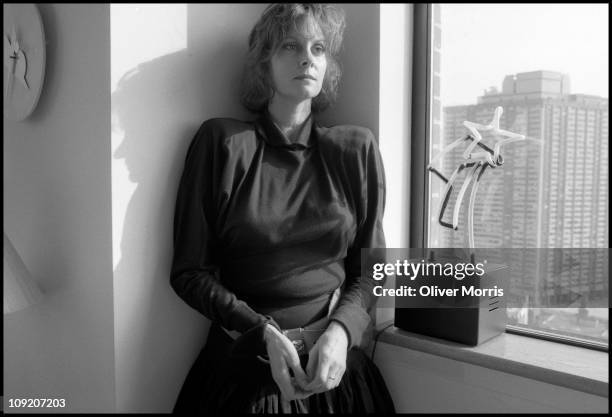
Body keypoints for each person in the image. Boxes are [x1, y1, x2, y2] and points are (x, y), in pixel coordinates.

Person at [170, 3, 395, 414]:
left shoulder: (354, 149)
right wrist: (260, 334)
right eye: (291, 45)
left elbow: (373, 271)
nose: (307, 57)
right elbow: (189, 272)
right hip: (244, 375)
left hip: (336, 372)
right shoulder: (223, 144)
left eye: (319, 48)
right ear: (263, 62)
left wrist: (342, 332)